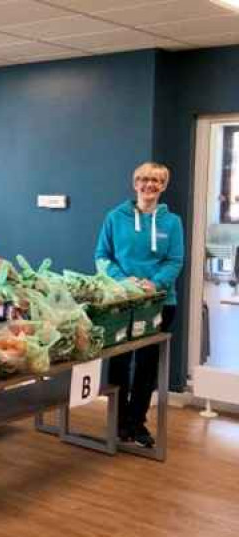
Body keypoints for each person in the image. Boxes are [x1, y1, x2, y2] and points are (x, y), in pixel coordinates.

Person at [95, 161, 184, 448]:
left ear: (163, 186)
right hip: (121, 304)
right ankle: (118, 422)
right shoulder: (115, 217)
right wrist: (124, 281)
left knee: (147, 365)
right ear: (135, 184)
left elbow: (175, 261)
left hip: (159, 304)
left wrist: (154, 284)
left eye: (156, 181)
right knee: (120, 362)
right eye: (144, 179)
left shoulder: (172, 222)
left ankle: (137, 423)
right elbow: (102, 256)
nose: (149, 185)